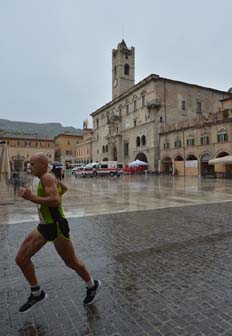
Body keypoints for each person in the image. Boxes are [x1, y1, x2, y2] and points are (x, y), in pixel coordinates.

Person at [16, 153, 101, 313]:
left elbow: (55, 199)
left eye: (32, 164)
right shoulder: (46, 178)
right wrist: (46, 197)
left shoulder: (47, 178)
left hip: (56, 226)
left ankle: (92, 285)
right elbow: (64, 188)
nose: (30, 166)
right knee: (21, 259)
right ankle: (37, 293)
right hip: (44, 226)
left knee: (71, 262)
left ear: (42, 164)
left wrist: (31, 197)